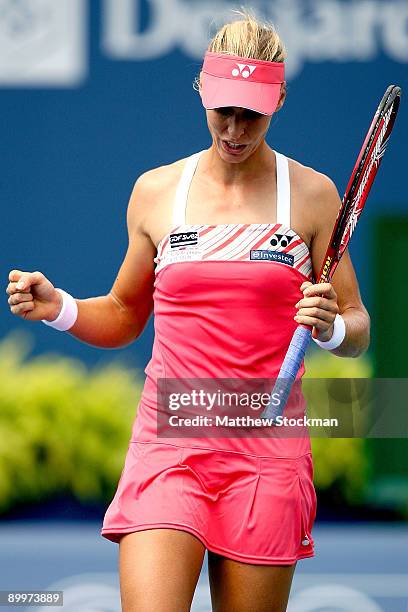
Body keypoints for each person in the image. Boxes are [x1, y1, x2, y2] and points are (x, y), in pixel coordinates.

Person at [6, 10, 370, 612]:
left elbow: (357, 327)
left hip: (266, 456)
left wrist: (332, 328)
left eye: (251, 111)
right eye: (223, 107)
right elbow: (125, 311)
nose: (234, 127)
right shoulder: (156, 191)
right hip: (170, 443)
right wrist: (60, 309)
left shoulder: (312, 195)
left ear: (278, 98)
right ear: (201, 90)